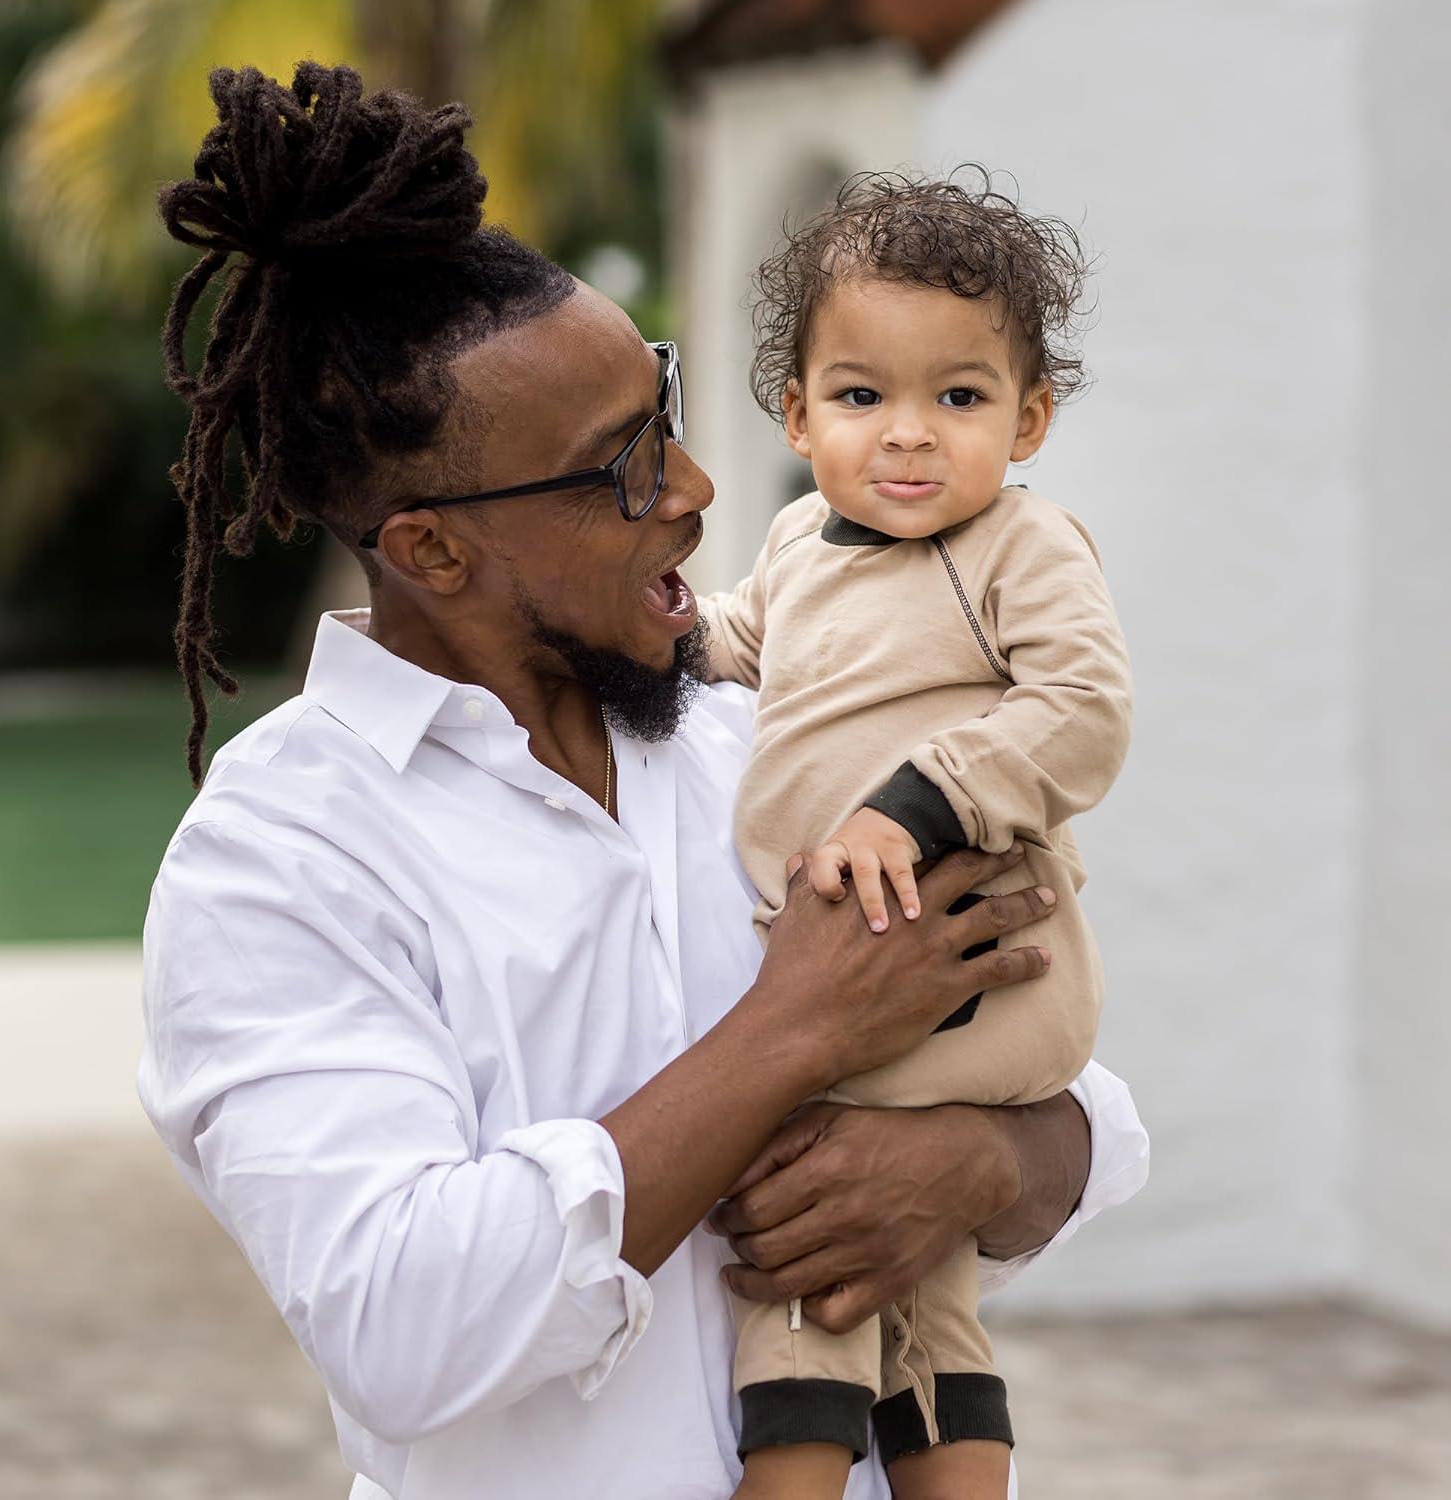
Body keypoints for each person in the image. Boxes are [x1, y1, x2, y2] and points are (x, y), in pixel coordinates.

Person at [137, 62, 1149, 1500]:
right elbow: (403, 1327)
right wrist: (795, 1029)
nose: (693, 488)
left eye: (661, 410)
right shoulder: (282, 855)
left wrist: (979, 1165)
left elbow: (1093, 1119)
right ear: (433, 550)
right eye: (618, 469)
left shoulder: (769, 731)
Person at [699, 175, 1132, 1499]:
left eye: (957, 396)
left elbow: (1084, 709)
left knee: (801, 1225)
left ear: (1028, 418)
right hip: (879, 962)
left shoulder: (1020, 544)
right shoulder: (798, 543)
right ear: (797, 415)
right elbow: (731, 643)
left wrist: (918, 800)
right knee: (922, 1288)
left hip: (971, 957)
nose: (907, 434)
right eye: (859, 395)